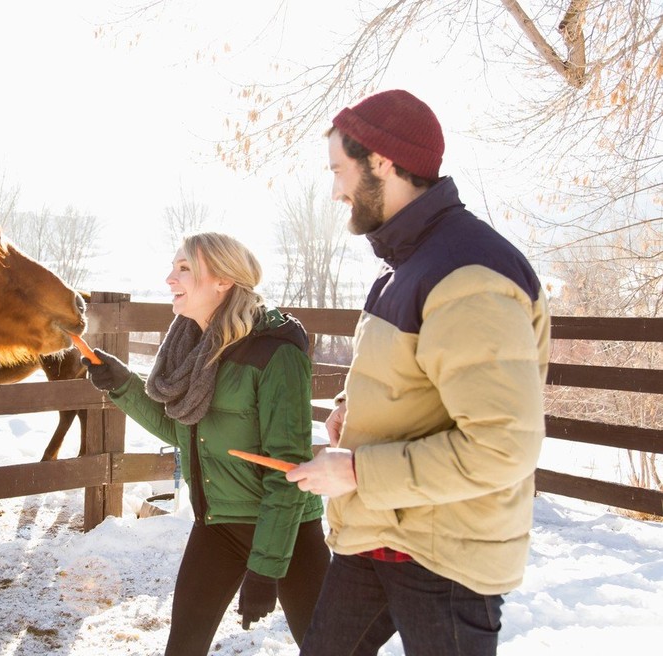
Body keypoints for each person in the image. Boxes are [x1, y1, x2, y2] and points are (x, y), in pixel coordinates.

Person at [285, 89, 551, 656]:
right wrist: (350, 414)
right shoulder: (409, 264)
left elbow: (502, 445)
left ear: (381, 161)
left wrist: (357, 470)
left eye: (340, 171)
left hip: (444, 557)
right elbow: (416, 386)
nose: (335, 191)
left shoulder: (467, 273)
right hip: (379, 536)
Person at [82, 232, 330, 655]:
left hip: (286, 533)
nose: (169, 279)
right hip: (216, 525)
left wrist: (266, 568)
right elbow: (181, 428)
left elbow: (287, 471)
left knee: (329, 648)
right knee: (182, 649)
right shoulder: (193, 344)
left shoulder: (275, 351)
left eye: (184, 269)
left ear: (223, 281)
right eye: (174, 267)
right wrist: (123, 384)